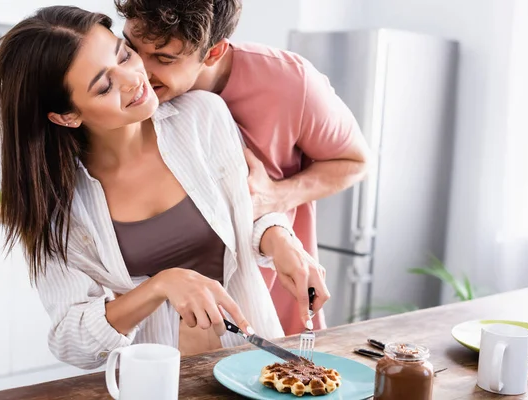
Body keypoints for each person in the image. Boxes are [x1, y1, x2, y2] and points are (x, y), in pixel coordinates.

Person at [0, 5, 324, 369]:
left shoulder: (203, 116)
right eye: (104, 86)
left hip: (256, 365)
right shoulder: (57, 206)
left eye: (124, 54)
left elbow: (246, 212)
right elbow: (73, 341)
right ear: (67, 115)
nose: (135, 78)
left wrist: (280, 240)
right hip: (151, 382)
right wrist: (160, 286)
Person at [115, 0, 372, 335]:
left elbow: (355, 161)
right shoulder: (126, 95)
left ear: (213, 52)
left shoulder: (291, 83)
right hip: (168, 319)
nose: (140, 73)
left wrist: (277, 195)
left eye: (164, 58)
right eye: (132, 49)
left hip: (271, 301)